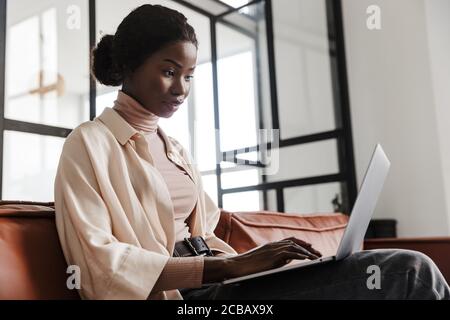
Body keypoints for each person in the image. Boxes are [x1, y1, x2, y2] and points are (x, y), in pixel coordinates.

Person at [54, 4, 450, 300]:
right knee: (408, 272)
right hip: (187, 298)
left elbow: (204, 234)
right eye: (169, 71)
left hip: (223, 285)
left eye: (189, 76)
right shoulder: (89, 143)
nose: (182, 89)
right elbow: (96, 266)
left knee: (400, 270)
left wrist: (258, 263)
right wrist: (231, 266)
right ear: (128, 66)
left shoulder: (174, 149)